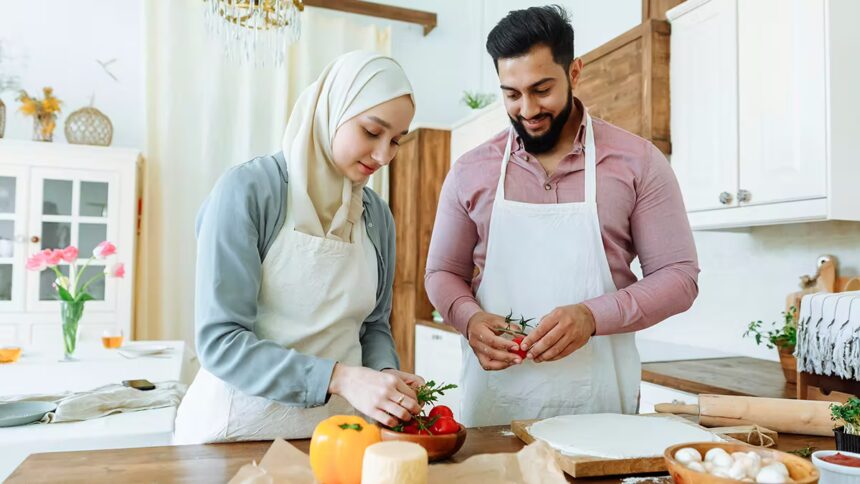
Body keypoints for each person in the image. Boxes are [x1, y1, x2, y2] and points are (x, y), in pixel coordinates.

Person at [425, 6, 700, 427]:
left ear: (574, 73)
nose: (528, 109)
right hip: (496, 410)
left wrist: (593, 316)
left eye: (542, 89)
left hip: (603, 412)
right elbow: (441, 272)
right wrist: (469, 317)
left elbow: (679, 278)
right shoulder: (470, 170)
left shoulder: (638, 161)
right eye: (512, 94)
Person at [174, 50, 423, 443]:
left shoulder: (376, 215)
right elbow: (221, 341)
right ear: (330, 110)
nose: (383, 155)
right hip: (235, 434)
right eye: (371, 132)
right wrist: (339, 378)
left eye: (396, 141)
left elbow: (373, 326)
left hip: (339, 436)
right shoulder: (249, 191)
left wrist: (384, 374)